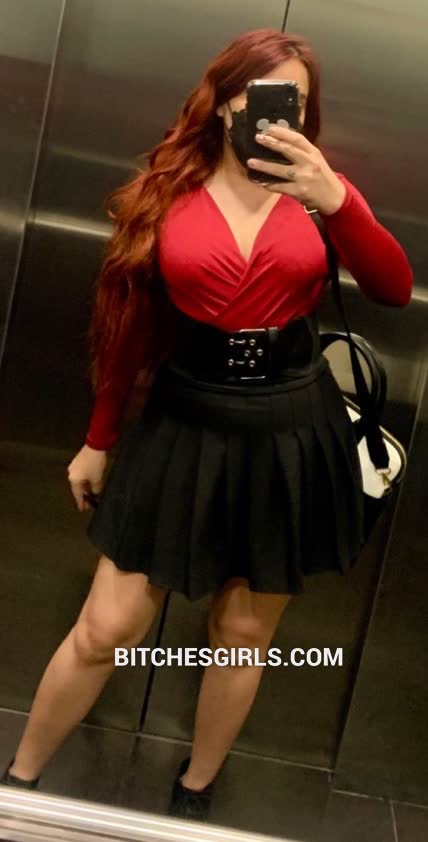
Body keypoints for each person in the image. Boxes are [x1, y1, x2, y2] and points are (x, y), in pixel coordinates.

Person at [1, 27, 412, 822]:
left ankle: (195, 791)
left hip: (290, 430)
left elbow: (395, 289)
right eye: (260, 94)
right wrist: (98, 438)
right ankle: (18, 785)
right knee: (104, 626)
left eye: (296, 99)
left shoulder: (321, 193)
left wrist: (337, 199)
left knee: (243, 631)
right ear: (224, 101)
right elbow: (127, 332)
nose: (278, 111)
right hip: (184, 420)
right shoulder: (168, 194)